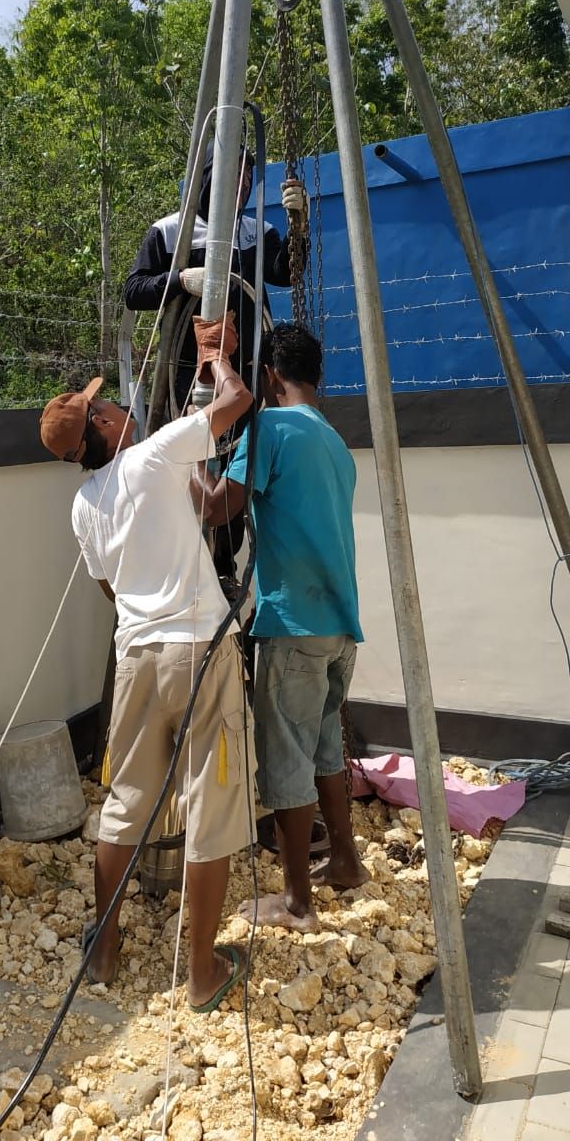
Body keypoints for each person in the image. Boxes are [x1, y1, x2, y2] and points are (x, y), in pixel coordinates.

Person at [39, 311, 255, 1011]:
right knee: (211, 803)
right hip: (198, 649)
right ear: (101, 427)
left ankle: (102, 948)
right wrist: (217, 357)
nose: (119, 406)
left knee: (126, 800)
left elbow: (109, 587)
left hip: (134, 655)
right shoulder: (158, 454)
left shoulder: (82, 504)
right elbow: (237, 403)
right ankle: (201, 973)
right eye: (107, 405)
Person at [193, 322, 368, 933]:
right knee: (323, 746)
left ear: (269, 377)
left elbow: (218, 508)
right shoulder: (335, 443)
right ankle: (344, 860)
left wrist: (185, 455)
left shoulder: (269, 429)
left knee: (287, 756)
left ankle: (296, 901)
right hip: (339, 623)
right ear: (317, 375)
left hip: (291, 622)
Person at [124, 142, 307, 580]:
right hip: (187, 381)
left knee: (232, 479)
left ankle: (224, 572)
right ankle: (188, 571)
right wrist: (180, 279)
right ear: (207, 176)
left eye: (248, 176)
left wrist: (298, 227)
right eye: (233, 174)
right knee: (185, 473)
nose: (242, 184)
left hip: (242, 380)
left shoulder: (255, 232)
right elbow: (133, 290)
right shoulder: (172, 233)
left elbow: (287, 273)